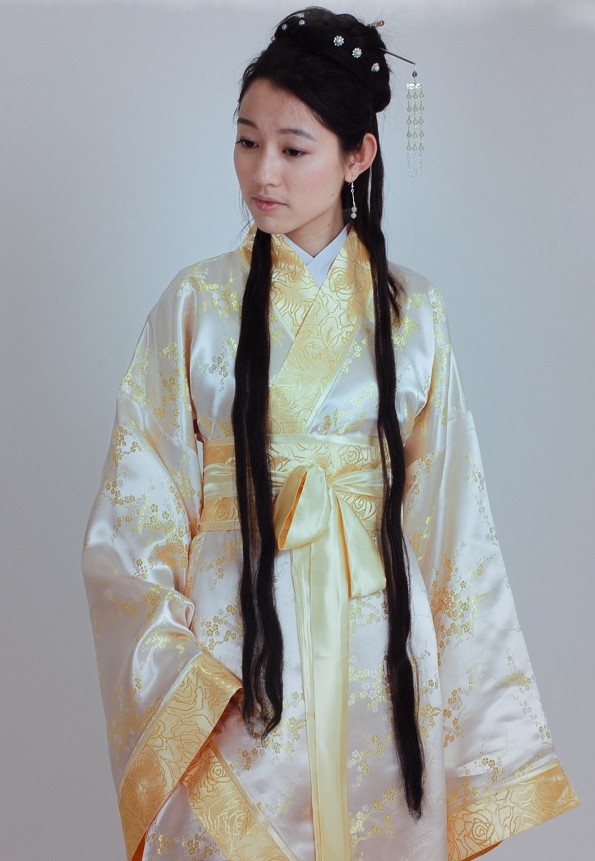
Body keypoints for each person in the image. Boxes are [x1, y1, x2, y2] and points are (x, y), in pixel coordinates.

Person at [82, 7, 578, 861]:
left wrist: (478, 744)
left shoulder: (413, 313)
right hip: (237, 657)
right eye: (246, 141)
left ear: (357, 156)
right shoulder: (195, 304)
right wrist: (183, 673)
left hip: (377, 655)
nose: (261, 171)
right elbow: (136, 508)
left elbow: (455, 529)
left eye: (292, 147)